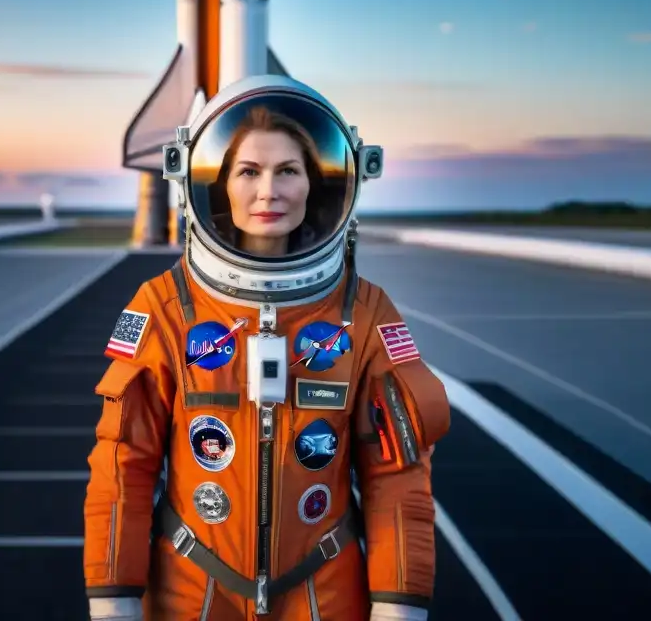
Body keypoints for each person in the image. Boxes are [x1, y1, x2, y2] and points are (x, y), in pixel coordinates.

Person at [83, 75, 451, 621]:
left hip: (323, 586)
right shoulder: (165, 307)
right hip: (193, 585)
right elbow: (124, 463)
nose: (268, 192)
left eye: (288, 171)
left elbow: (397, 475)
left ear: (316, 184)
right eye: (248, 171)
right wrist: (114, 600)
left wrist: (400, 604)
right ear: (220, 184)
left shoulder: (363, 312)